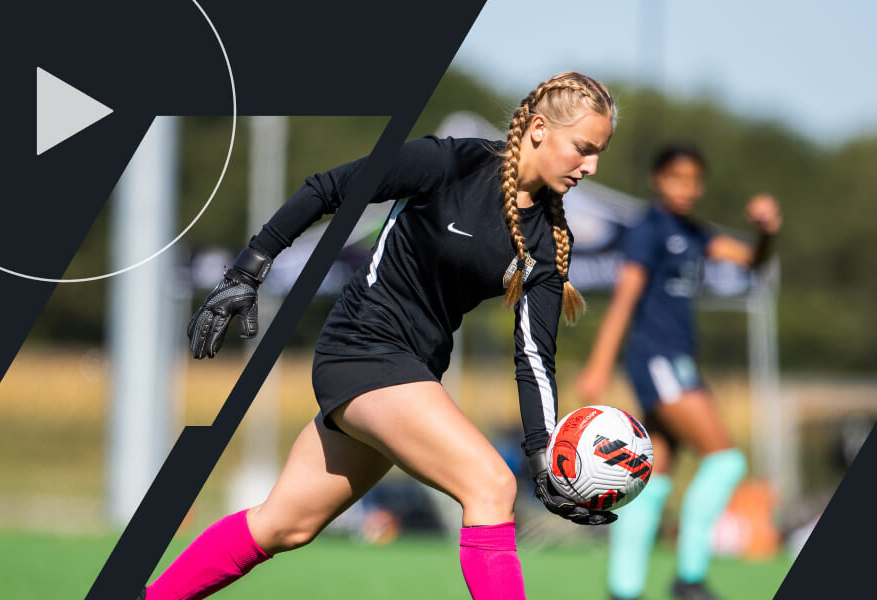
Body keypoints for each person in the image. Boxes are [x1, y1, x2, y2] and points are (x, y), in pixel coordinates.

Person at [144, 71, 617, 600]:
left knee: (283, 525)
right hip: (362, 351)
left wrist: (543, 459)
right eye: (583, 148)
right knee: (490, 484)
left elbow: (533, 357)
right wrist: (246, 271)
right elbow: (329, 188)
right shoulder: (451, 163)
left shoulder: (550, 240)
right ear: (538, 129)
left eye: (598, 154)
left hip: (410, 375)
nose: (590, 167)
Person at [576, 144, 782, 600]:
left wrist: (766, 232)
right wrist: (598, 365)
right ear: (657, 180)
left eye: (694, 180)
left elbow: (753, 261)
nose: (687, 188)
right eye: (677, 178)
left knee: (654, 475)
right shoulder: (648, 230)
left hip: (677, 362)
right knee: (725, 460)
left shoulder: (693, 233)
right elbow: (624, 299)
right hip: (658, 360)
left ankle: (623, 588)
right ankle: (689, 577)